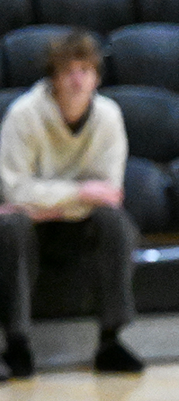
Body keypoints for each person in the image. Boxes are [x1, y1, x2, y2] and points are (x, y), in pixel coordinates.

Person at [0, 30, 143, 381]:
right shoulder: (24, 114)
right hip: (31, 228)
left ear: (96, 77)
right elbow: (13, 190)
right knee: (11, 226)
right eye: (69, 71)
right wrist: (80, 194)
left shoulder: (109, 116)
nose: (78, 79)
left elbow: (110, 192)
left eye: (85, 70)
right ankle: (17, 344)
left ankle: (111, 341)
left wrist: (47, 201)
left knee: (116, 223)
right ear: (54, 78)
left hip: (74, 225)